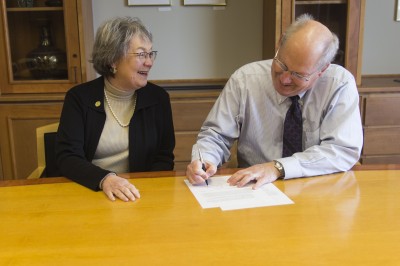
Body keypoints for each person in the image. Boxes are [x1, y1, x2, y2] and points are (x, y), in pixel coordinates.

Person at [186, 14, 363, 189]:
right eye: (282, 65)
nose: (285, 79)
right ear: (279, 44)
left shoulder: (339, 84)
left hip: (318, 189)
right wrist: (204, 160)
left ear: (322, 70)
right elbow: (216, 135)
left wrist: (278, 168)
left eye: (298, 74)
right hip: (255, 189)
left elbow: (342, 149)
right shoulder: (245, 80)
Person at [56, 17, 175, 202]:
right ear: (113, 60)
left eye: (151, 54)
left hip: (136, 194)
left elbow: (164, 157)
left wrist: (143, 192)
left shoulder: (158, 98)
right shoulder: (79, 98)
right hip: (88, 189)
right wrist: (105, 179)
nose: (149, 62)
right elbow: (68, 157)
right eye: (141, 54)